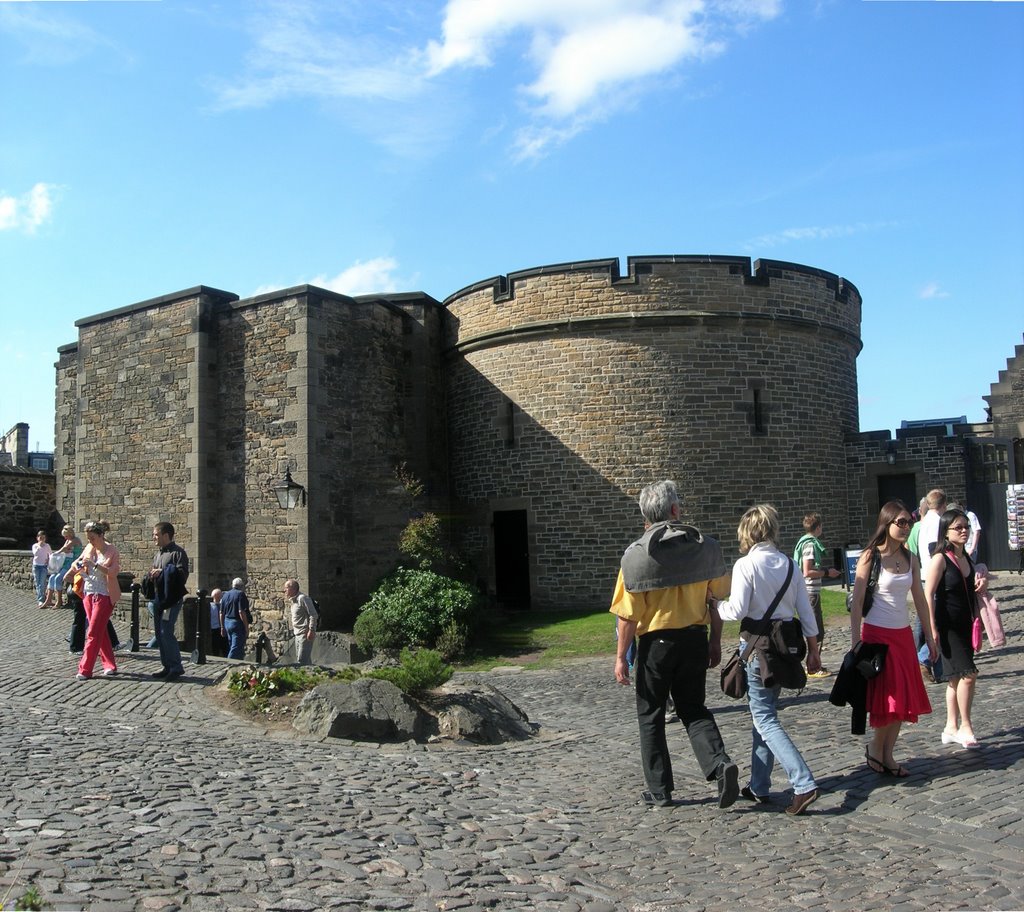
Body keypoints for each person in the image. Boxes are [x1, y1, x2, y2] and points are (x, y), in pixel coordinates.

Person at [610, 480, 739, 810]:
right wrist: (714, 641)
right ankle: (719, 764)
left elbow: (627, 616)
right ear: (675, 511)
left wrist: (622, 657)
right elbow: (716, 599)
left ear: (645, 517)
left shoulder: (636, 557)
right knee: (693, 709)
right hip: (694, 638)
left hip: (656, 645)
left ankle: (659, 789)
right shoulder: (704, 548)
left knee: (651, 715)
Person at [714, 505, 822, 815]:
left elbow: (736, 610)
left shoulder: (746, 565)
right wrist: (814, 650)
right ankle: (760, 785)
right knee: (763, 714)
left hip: (757, 650)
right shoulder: (789, 564)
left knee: (764, 718)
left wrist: (715, 606)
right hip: (784, 648)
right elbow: (806, 611)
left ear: (746, 533)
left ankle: (803, 783)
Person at [849, 500, 936, 777]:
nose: (905, 526)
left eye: (908, 521)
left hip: (902, 636)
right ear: (886, 524)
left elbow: (920, 600)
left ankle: (887, 753)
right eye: (900, 522)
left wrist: (930, 636)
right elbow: (858, 600)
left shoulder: (911, 559)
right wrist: (855, 642)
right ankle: (876, 748)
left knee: (903, 696)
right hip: (876, 634)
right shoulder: (870, 556)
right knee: (888, 698)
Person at [925, 509, 982, 749]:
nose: (964, 531)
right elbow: (928, 593)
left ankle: (950, 727)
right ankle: (966, 727)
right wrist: (932, 626)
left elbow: (970, 590)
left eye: (966, 527)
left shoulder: (966, 557)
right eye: (958, 527)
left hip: (965, 624)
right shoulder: (941, 558)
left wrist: (978, 617)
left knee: (955, 678)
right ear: (946, 532)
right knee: (969, 675)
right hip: (947, 625)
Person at [68, 520, 121, 680]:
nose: (90, 541)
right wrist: (77, 565)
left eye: (92, 538)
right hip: (88, 594)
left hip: (104, 595)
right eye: (88, 538)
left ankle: (85, 669)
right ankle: (109, 664)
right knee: (100, 630)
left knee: (92, 632)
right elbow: (75, 563)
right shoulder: (89, 548)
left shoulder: (112, 551)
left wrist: (95, 565)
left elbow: (113, 573)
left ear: (101, 535)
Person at [793, 512, 841, 678]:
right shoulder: (810, 545)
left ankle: (813, 663)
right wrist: (828, 572)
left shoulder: (806, 542)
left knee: (815, 628)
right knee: (816, 629)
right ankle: (813, 666)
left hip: (810, 592)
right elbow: (807, 571)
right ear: (818, 527)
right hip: (810, 592)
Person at [147, 522, 189, 680]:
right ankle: (167, 666)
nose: (154, 538)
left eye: (156, 535)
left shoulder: (178, 553)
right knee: (159, 633)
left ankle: (176, 667)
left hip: (171, 600)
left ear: (166, 535)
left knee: (166, 632)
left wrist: (162, 572)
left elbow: (182, 575)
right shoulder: (158, 554)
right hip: (158, 599)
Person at [915, 489, 947, 683]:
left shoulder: (923, 522)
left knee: (923, 621)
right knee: (938, 621)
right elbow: (935, 550)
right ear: (943, 504)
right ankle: (923, 658)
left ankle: (937, 667)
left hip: (924, 574)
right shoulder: (937, 522)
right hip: (935, 576)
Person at [43, 524, 83, 609]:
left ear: (70, 534)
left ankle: (59, 601)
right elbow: (64, 550)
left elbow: (63, 549)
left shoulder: (75, 540)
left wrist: (55, 553)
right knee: (52, 577)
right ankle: (48, 600)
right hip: (65, 563)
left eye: (66, 536)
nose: (65, 538)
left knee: (58, 578)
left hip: (73, 564)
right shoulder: (68, 540)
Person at [285, 578, 319, 665]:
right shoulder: (293, 600)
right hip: (297, 634)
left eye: (286, 587)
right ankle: (312, 677)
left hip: (305, 634)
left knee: (301, 661)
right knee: (305, 661)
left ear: (293, 589)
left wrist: (311, 630)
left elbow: (313, 614)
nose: (284, 590)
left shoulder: (302, 599)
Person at [220, 578, 251, 660]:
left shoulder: (225, 595)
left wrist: (222, 627)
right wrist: (246, 626)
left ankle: (239, 664)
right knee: (236, 647)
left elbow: (221, 613)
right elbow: (241, 612)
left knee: (233, 645)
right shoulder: (240, 594)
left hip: (227, 622)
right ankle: (228, 664)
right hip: (236, 623)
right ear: (241, 586)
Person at [31, 531, 52, 607]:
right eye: (40, 537)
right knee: (37, 583)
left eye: (43, 538)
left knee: (42, 583)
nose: (42, 539)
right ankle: (41, 598)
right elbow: (35, 553)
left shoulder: (47, 546)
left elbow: (50, 554)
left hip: (43, 566)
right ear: (37, 538)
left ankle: (41, 600)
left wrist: (48, 560)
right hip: (36, 566)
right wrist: (39, 546)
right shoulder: (35, 546)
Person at [209, 588, 226, 657]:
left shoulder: (223, 605)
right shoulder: (210, 606)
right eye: (219, 595)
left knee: (224, 646)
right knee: (215, 646)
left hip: (222, 628)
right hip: (214, 628)